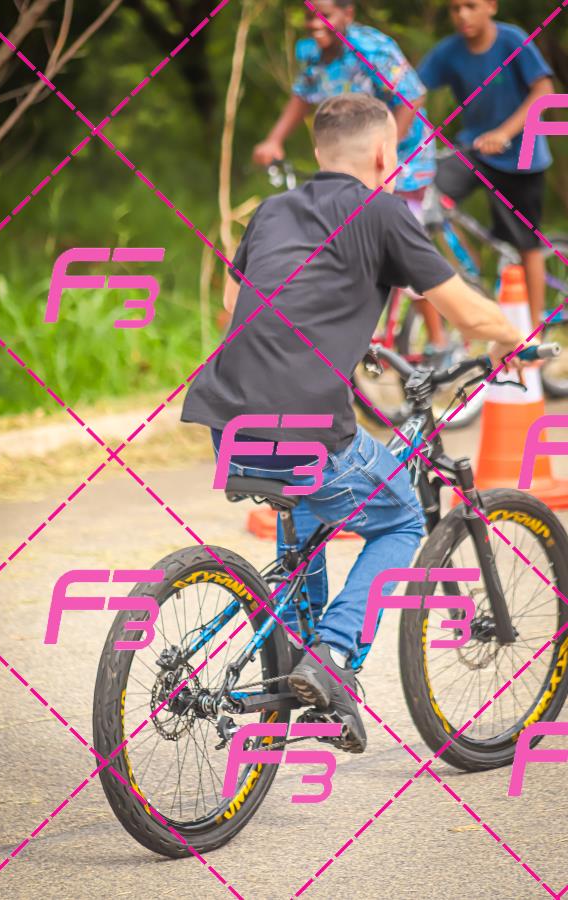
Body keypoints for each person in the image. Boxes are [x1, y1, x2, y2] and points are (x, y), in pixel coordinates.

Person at [181, 94, 527, 754]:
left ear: (317, 151)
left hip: (226, 421)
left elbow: (236, 297)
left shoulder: (273, 210)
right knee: (400, 519)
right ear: (384, 153)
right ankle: (333, 657)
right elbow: (466, 313)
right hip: (305, 426)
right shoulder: (383, 212)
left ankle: (295, 672)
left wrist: (334, 326)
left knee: (308, 512)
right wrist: (518, 339)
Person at [253, 0, 448, 351]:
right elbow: (302, 95)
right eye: (309, 16)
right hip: (354, 162)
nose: (316, 24)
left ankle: (439, 342)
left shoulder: (373, 50)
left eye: (325, 16)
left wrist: (386, 152)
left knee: (403, 249)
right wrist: (274, 139)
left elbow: (412, 97)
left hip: (402, 159)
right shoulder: (313, 54)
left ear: (348, 14)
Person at [418, 0, 554, 328]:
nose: (463, 15)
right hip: (475, 149)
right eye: (455, 8)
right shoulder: (449, 51)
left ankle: (533, 330)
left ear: (491, 6)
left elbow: (544, 90)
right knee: (425, 198)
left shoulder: (512, 40)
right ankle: (469, 269)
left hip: (520, 155)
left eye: (471, 5)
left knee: (527, 244)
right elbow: (412, 89)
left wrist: (504, 133)